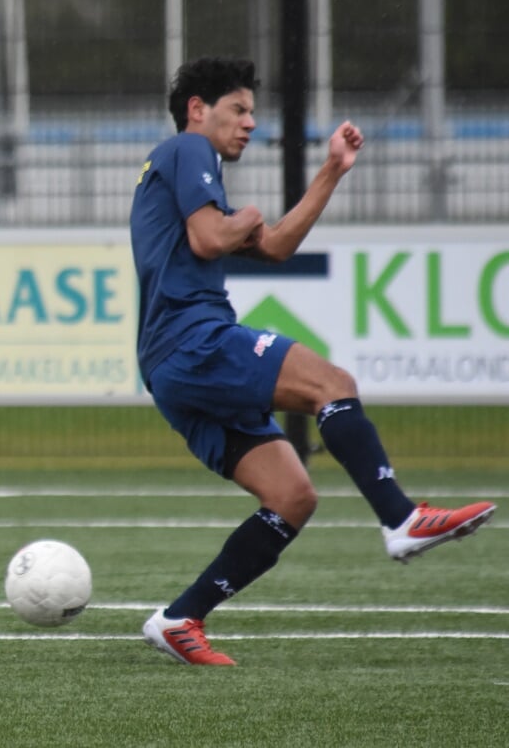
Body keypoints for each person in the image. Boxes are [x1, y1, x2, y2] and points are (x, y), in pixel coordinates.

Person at [131, 56, 495, 666]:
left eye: (253, 111)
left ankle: (179, 618)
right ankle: (401, 520)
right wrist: (241, 219)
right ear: (199, 109)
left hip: (170, 365)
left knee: (293, 495)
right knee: (334, 383)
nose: (251, 122)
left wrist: (331, 170)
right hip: (192, 338)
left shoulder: (192, 166)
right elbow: (212, 239)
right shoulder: (187, 150)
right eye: (239, 109)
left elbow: (273, 246)